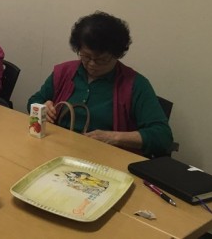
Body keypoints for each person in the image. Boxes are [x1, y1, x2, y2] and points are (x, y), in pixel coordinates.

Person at [27, 11, 173, 157]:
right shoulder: (64, 72)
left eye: (101, 59)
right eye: (86, 56)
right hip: (56, 150)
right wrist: (43, 107)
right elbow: (33, 101)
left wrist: (114, 137)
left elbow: (163, 137)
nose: (91, 64)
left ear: (117, 54)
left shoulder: (135, 85)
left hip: (104, 158)